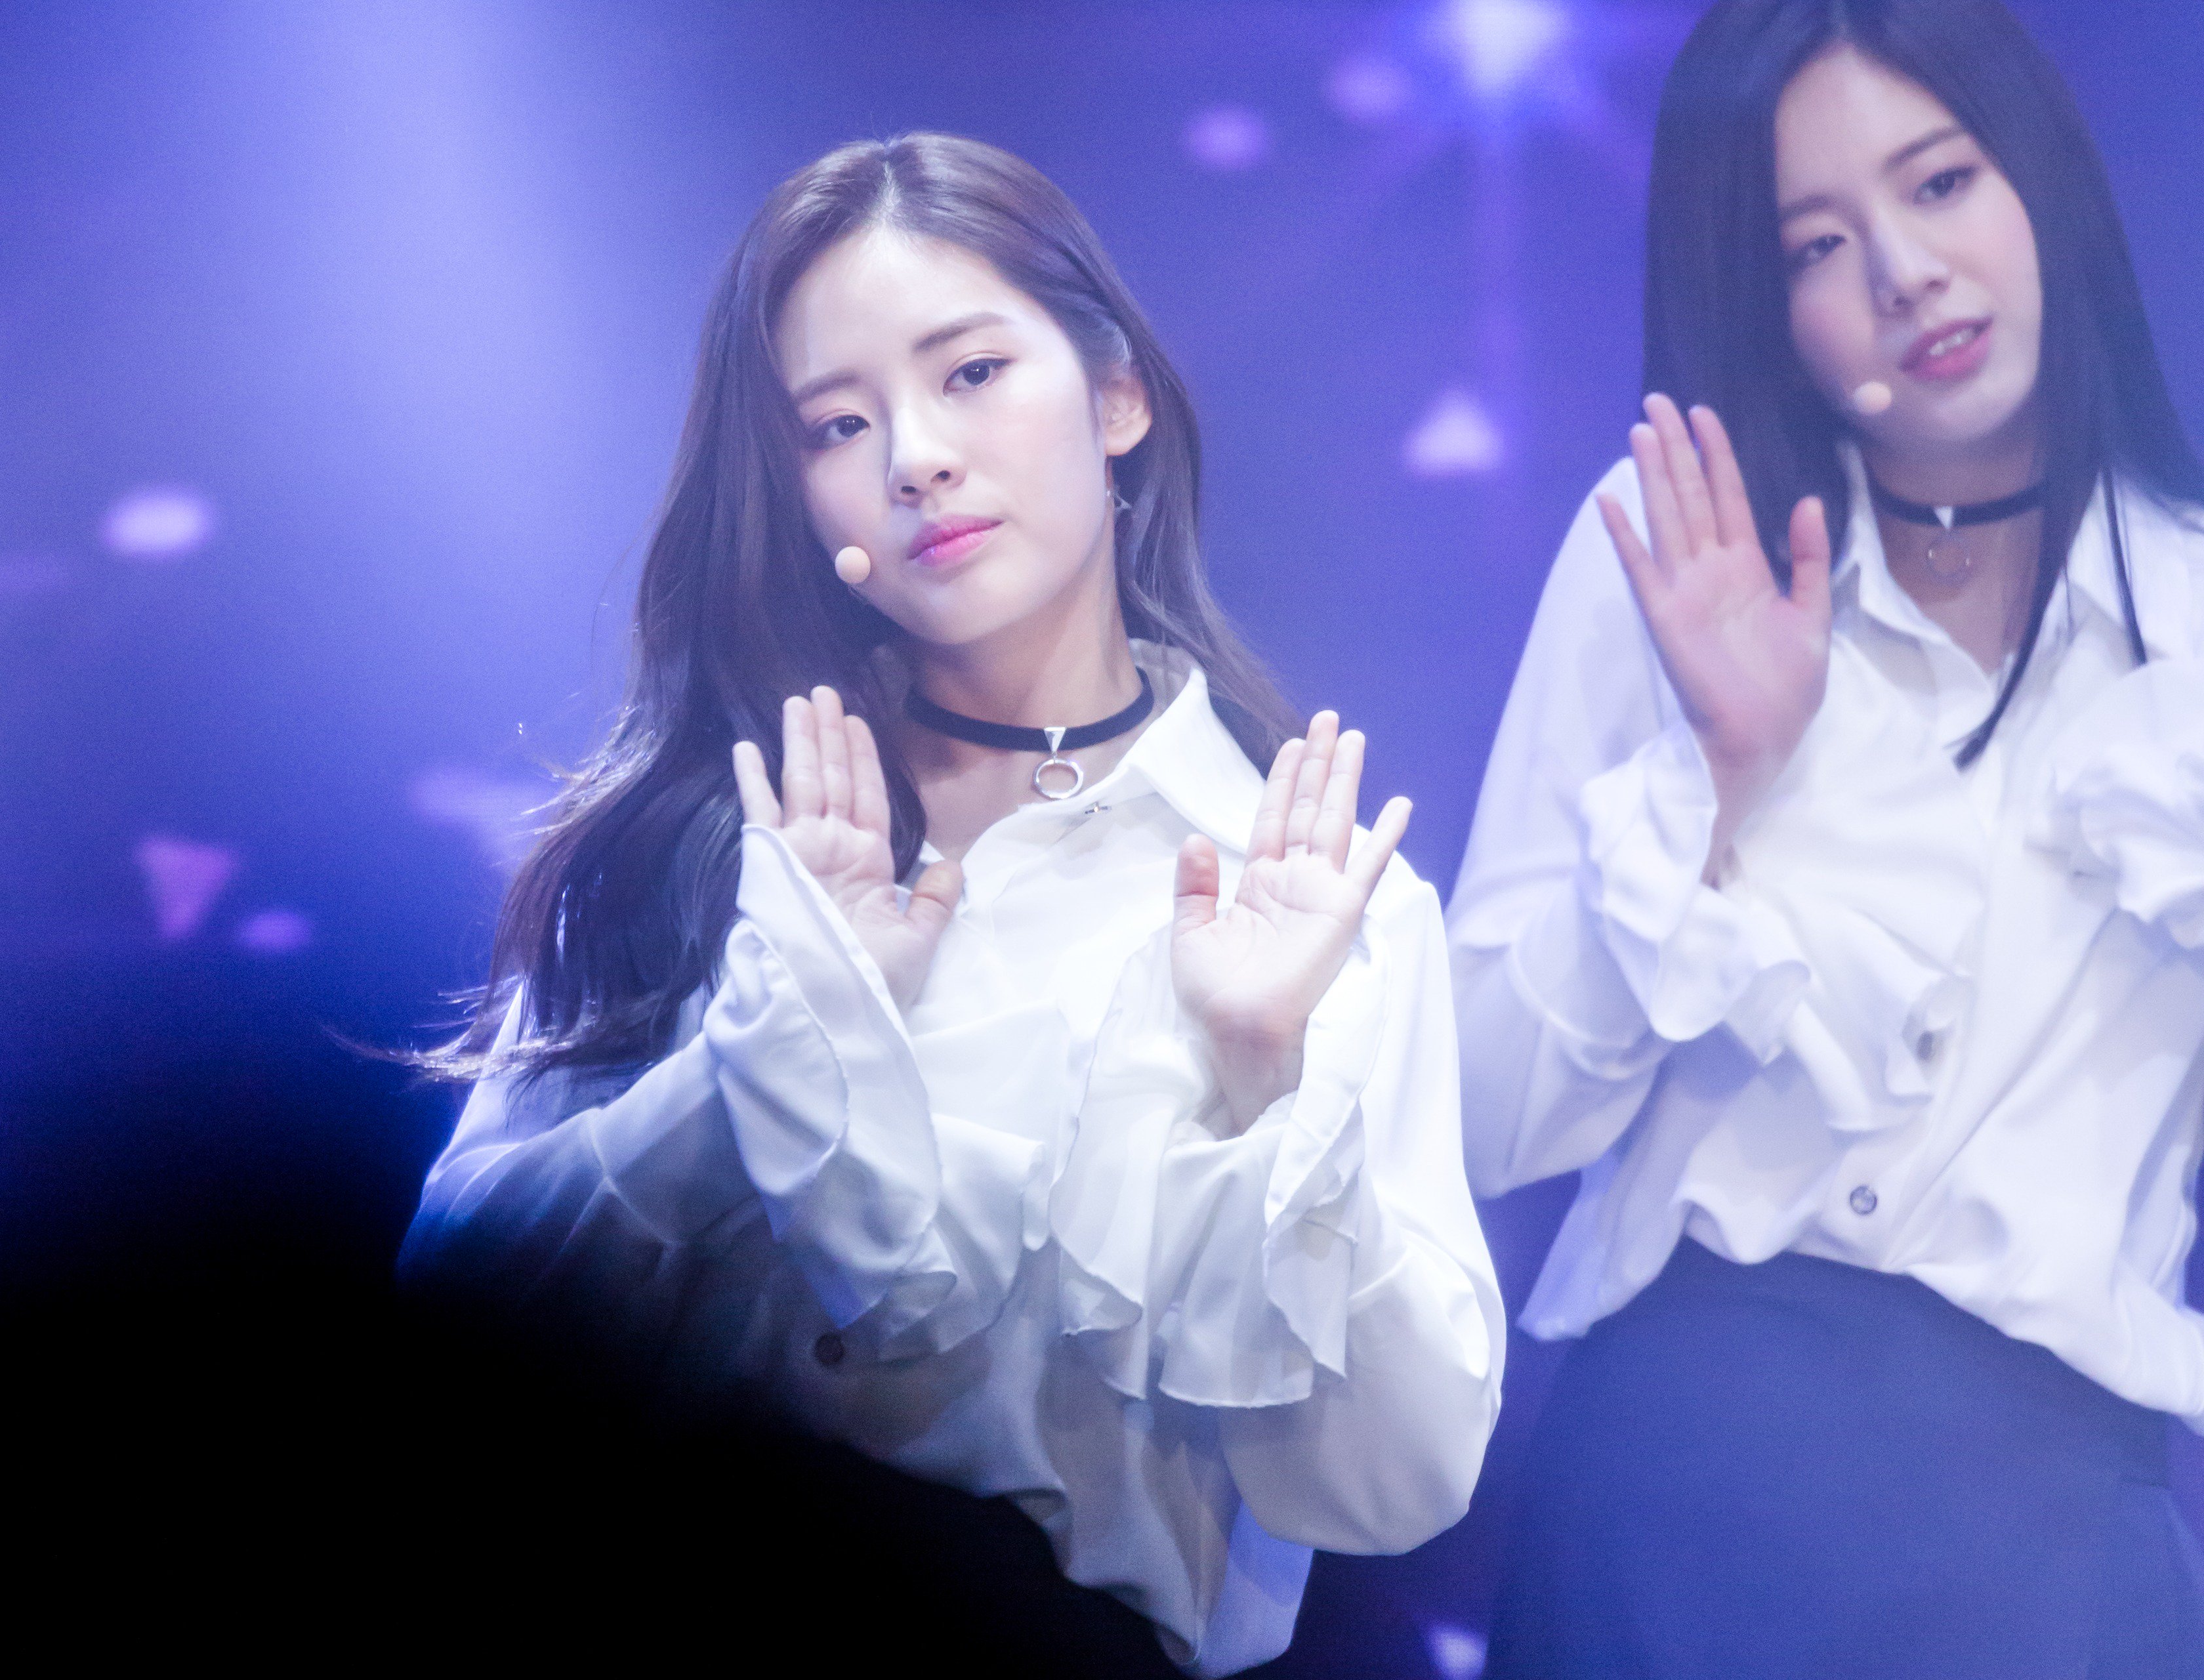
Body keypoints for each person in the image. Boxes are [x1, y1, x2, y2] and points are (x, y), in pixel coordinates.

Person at [400, 133, 1501, 1675]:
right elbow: (449, 1305)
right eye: (838, 423)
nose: (913, 455)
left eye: (971, 373)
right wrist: (753, 1067)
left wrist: (1261, 1076)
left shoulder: (1309, 892)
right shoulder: (708, 834)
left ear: (1117, 397)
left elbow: (1394, 1480)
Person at [1451, 2, 2204, 1674]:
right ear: (1761, 296)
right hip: (1675, 1496)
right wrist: (1719, 780)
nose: (1906, 272)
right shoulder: (1664, 554)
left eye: (1940, 182)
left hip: (2059, 1542)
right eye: (1818, 242)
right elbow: (1482, 1118)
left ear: (2044, 181)